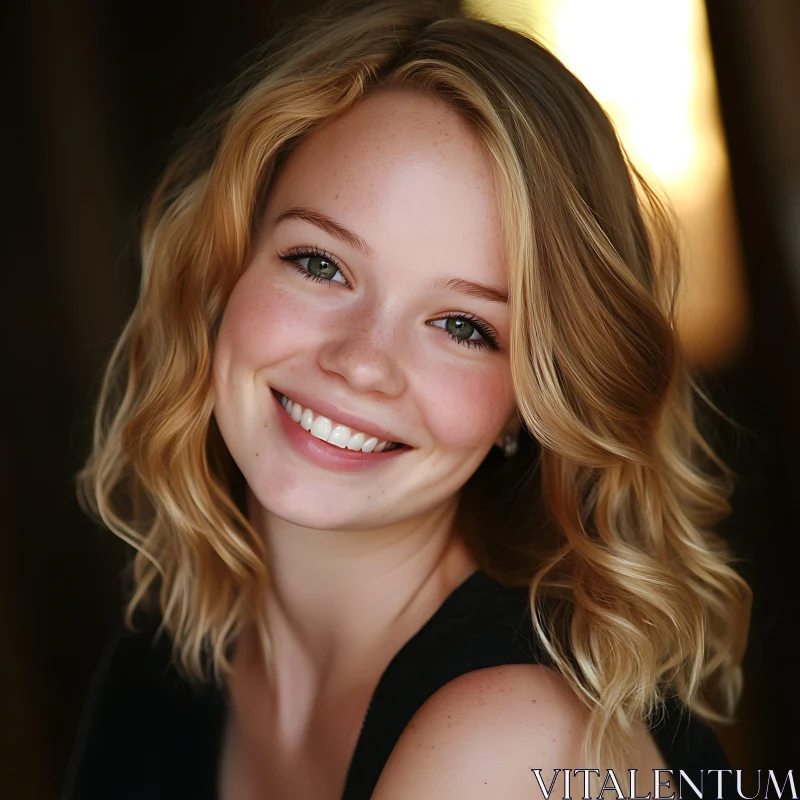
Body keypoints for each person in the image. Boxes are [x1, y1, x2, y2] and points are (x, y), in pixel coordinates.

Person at [63, 1, 752, 798]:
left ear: (531, 401)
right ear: (225, 269)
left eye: (462, 325)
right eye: (320, 264)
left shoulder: (513, 744)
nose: (361, 363)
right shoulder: (162, 660)